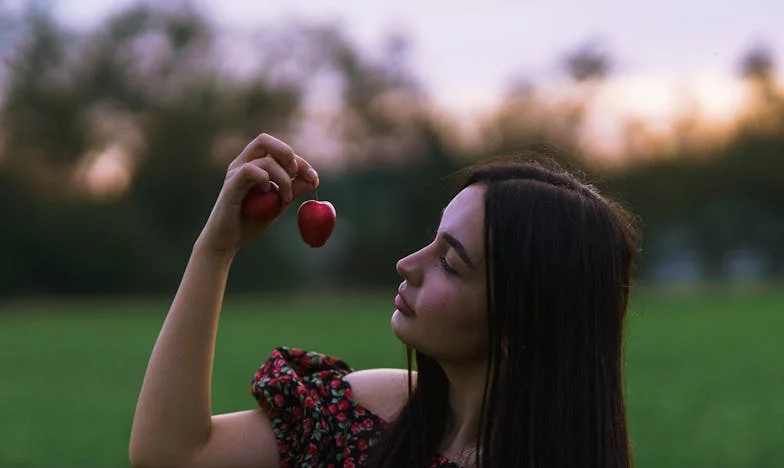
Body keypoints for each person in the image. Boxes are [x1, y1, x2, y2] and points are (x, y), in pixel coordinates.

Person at [129, 132, 640, 468]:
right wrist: (216, 250)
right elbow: (173, 454)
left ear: (520, 324)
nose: (407, 263)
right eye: (432, 238)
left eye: (450, 261)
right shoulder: (366, 416)